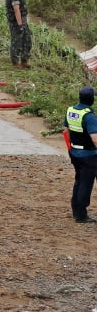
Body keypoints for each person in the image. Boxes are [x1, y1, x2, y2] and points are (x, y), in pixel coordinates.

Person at [66, 87, 97, 223]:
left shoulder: (71, 110)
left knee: (79, 180)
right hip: (88, 155)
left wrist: (70, 148)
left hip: (75, 152)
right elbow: (95, 138)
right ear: (91, 99)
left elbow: (66, 131)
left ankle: (76, 209)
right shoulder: (89, 116)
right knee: (86, 183)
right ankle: (81, 215)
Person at [6, 0, 31, 68]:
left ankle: (24, 61)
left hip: (23, 20)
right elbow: (16, 10)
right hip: (16, 22)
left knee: (27, 40)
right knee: (16, 42)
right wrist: (20, 25)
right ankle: (15, 63)